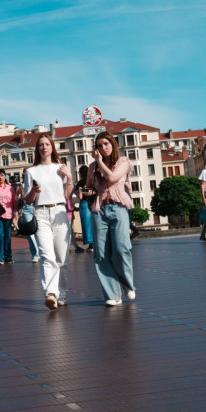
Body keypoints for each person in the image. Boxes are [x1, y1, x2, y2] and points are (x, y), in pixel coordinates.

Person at [23, 133, 75, 310]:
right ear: (37, 149)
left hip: (60, 211)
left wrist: (69, 177)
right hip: (41, 213)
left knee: (62, 258)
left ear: (52, 147)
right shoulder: (31, 171)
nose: (44, 147)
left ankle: (62, 293)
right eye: (41, 145)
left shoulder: (60, 167)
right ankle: (51, 293)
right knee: (47, 256)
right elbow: (28, 200)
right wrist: (34, 191)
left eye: (47, 144)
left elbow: (67, 195)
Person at [88, 131, 135, 306]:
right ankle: (112, 295)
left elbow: (113, 178)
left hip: (119, 207)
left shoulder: (122, 161)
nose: (103, 148)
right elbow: (88, 188)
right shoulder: (93, 168)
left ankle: (127, 284)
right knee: (100, 254)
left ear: (112, 144)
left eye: (106, 144)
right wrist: (84, 192)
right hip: (99, 210)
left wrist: (99, 162)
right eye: (99, 145)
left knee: (121, 249)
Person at [74, 165, 94, 253]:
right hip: (94, 203)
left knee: (86, 225)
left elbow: (80, 197)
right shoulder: (92, 181)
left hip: (84, 204)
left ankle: (90, 244)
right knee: (94, 223)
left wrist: (79, 190)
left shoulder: (80, 183)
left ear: (80, 174)